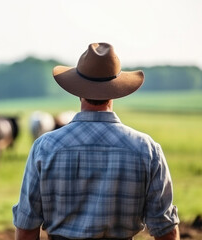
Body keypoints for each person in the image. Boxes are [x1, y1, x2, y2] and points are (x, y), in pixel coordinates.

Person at [12, 43, 180, 240]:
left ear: (78, 89)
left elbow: (26, 229)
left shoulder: (45, 147)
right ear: (115, 91)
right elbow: (165, 230)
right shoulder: (147, 150)